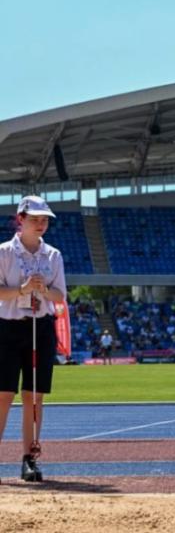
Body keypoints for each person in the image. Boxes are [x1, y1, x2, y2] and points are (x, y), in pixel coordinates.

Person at [0, 196, 67, 483]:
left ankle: (30, 458)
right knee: (3, 395)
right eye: (35, 219)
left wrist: (43, 291)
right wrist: (23, 289)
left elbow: (60, 296)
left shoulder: (53, 255)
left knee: (34, 396)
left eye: (45, 220)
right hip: (7, 327)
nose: (41, 224)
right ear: (20, 220)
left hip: (41, 328)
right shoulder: (4, 253)